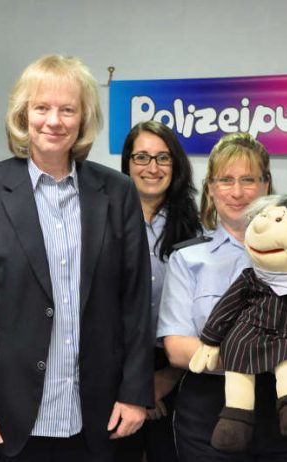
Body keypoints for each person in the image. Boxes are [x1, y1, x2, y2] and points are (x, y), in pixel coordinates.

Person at [0, 54, 154, 462]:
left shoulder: (118, 193)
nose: (53, 120)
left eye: (67, 109)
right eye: (41, 107)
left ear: (84, 118)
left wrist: (135, 393)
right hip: (4, 415)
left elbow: (135, 303)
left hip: (98, 413)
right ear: (24, 114)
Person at [156, 132, 287, 461]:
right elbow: (179, 349)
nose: (237, 192)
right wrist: (268, 353)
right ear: (211, 188)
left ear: (266, 185)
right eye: (226, 180)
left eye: (248, 179)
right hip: (214, 412)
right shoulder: (189, 257)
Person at [115, 120, 201, 462]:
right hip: (115, 370)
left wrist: (166, 378)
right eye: (142, 158)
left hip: (179, 366)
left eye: (163, 158)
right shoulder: (103, 221)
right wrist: (131, 385)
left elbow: (206, 315)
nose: (152, 168)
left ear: (175, 165)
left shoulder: (198, 225)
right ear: (127, 164)